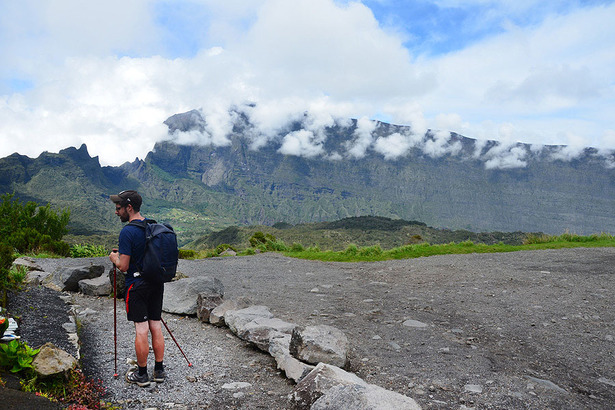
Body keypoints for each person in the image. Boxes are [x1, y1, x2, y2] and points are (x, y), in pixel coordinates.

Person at [109, 190, 165, 387]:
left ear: (129, 208)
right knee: (155, 325)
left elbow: (123, 266)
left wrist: (114, 257)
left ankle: (142, 375)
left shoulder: (127, 232)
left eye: (119, 208)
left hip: (137, 285)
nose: (117, 212)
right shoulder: (153, 224)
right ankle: (159, 370)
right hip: (156, 284)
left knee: (141, 328)